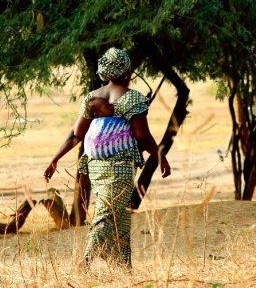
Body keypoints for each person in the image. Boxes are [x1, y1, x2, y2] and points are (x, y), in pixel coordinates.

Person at [43, 47, 171, 269]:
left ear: (104, 72)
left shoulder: (92, 97)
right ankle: (85, 262)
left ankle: (123, 267)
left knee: (119, 218)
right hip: (119, 167)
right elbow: (142, 135)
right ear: (127, 71)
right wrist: (160, 156)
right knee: (106, 214)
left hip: (94, 166)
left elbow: (76, 135)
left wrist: (55, 158)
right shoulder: (133, 99)